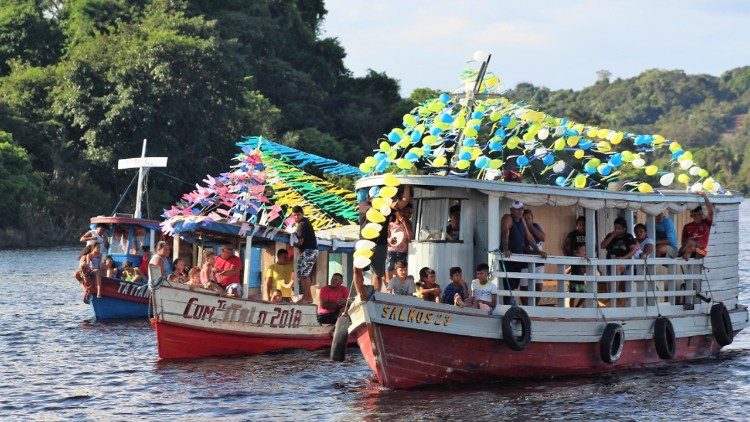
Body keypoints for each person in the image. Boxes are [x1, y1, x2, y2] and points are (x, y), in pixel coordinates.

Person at [500, 201, 546, 291]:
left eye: (521, 209)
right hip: (508, 257)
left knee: (514, 285)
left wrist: (538, 251)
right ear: (511, 210)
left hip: (517, 257)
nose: (519, 211)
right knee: (508, 287)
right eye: (517, 209)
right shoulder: (508, 217)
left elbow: (529, 236)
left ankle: (511, 304)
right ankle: (508, 305)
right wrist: (506, 249)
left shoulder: (522, 220)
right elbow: (505, 232)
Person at [358, 194, 388, 293]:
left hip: (380, 243)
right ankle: (361, 293)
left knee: (378, 273)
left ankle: (376, 294)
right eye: (376, 198)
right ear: (370, 198)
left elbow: (400, 204)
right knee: (359, 270)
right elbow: (371, 212)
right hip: (365, 242)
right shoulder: (364, 204)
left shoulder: (384, 206)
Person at [292, 206, 318, 304]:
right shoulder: (305, 222)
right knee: (302, 275)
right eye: (295, 215)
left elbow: (300, 242)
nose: (297, 217)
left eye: (298, 214)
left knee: (304, 275)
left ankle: (306, 298)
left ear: (302, 214)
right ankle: (309, 298)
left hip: (309, 251)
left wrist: (292, 243)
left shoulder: (302, 224)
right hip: (310, 251)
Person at [680, 191, 714, 257]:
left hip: (702, 252)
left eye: (700, 214)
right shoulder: (687, 226)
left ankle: (682, 254)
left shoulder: (706, 223)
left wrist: (704, 196)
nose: (698, 217)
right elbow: (683, 242)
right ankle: (684, 254)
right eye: (695, 215)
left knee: (691, 242)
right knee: (690, 242)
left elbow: (711, 211)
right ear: (691, 215)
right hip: (690, 249)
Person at [521, 208, 546, 294]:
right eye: (525, 219)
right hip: (524, 263)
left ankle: (536, 306)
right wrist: (537, 252)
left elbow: (543, 238)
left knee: (539, 286)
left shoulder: (535, 226)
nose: (527, 221)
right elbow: (522, 248)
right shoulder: (520, 229)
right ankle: (526, 307)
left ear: (532, 218)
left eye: (529, 218)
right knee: (524, 287)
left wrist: (531, 227)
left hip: (538, 262)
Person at [386, 204, 413, 282]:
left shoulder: (408, 225)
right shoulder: (390, 225)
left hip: (402, 253)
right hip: (391, 251)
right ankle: (389, 290)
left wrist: (404, 222)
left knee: (402, 272)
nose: (408, 215)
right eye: (406, 212)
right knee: (389, 269)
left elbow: (410, 237)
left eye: (410, 213)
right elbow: (387, 238)